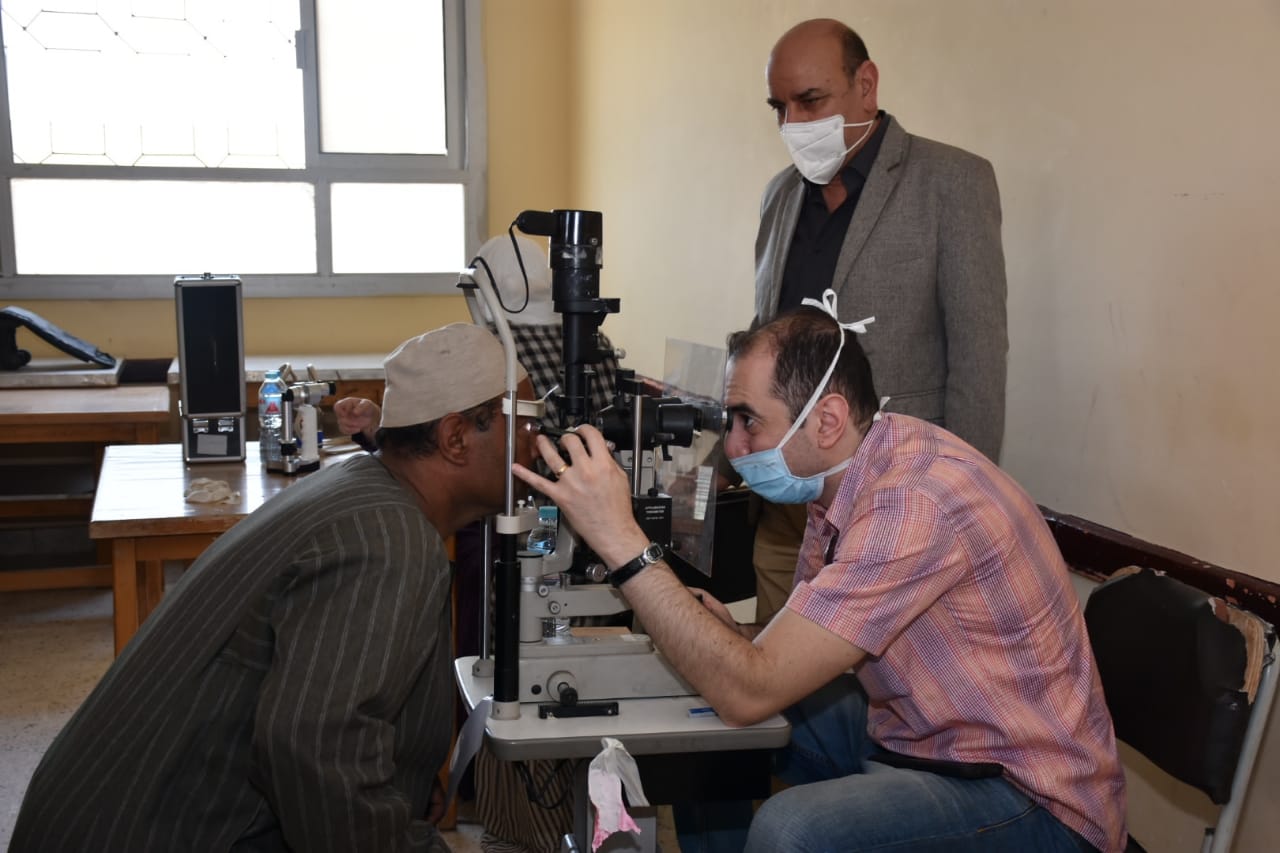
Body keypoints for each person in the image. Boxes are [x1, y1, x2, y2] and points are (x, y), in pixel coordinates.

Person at [511, 292, 1126, 852]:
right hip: (922, 734)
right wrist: (736, 639)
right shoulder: (845, 479)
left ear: (827, 420)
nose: (733, 448)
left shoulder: (912, 504)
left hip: (1027, 796)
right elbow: (783, 655)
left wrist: (621, 540)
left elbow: (750, 692)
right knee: (701, 737)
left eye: (749, 421)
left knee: (793, 830)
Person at [11, 323, 538, 853]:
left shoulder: (362, 488)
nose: (539, 442)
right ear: (455, 437)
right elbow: (316, 751)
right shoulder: (386, 540)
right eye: (526, 422)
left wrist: (406, 779)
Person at [336, 232, 623, 853]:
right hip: (534, 546)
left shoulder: (517, 356)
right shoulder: (586, 348)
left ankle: (515, 819)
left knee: (505, 675)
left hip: (533, 549)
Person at [750, 18, 1009, 624]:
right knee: (770, 672)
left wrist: (957, 512)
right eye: (779, 107)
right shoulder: (780, 196)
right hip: (790, 513)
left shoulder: (952, 183)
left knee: (885, 686)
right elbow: (766, 336)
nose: (792, 124)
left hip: (898, 513)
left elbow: (977, 360)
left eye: (810, 100)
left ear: (865, 85)